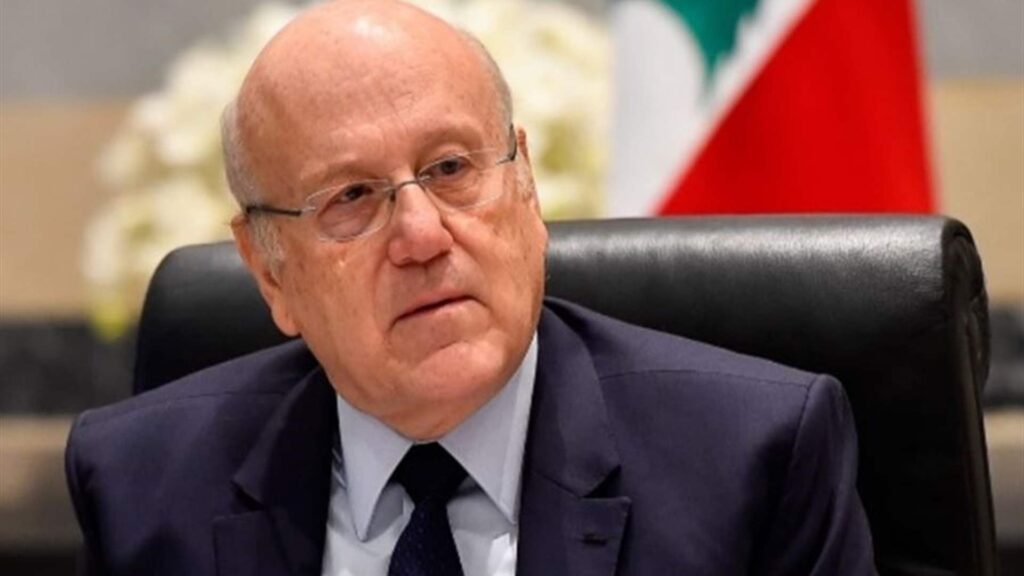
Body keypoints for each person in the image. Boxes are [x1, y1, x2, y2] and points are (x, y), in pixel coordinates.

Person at [65, 1, 876, 574]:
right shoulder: (141, 488)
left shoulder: (752, 461)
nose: (422, 236)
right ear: (270, 270)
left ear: (527, 187)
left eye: (451, 168)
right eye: (352, 197)